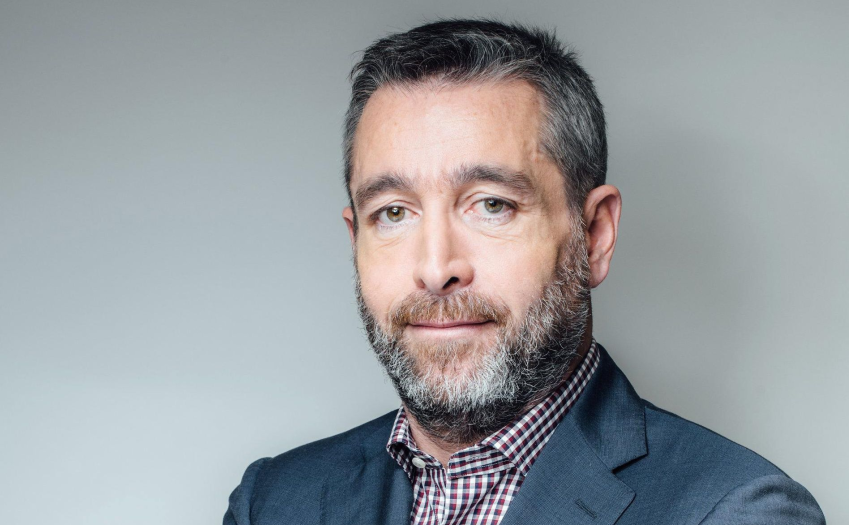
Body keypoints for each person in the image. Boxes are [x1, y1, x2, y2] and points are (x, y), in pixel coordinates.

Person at [224, 19, 824, 525]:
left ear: (595, 236)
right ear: (355, 239)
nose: (435, 268)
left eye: (493, 205)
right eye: (394, 213)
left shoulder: (735, 510)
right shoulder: (273, 501)